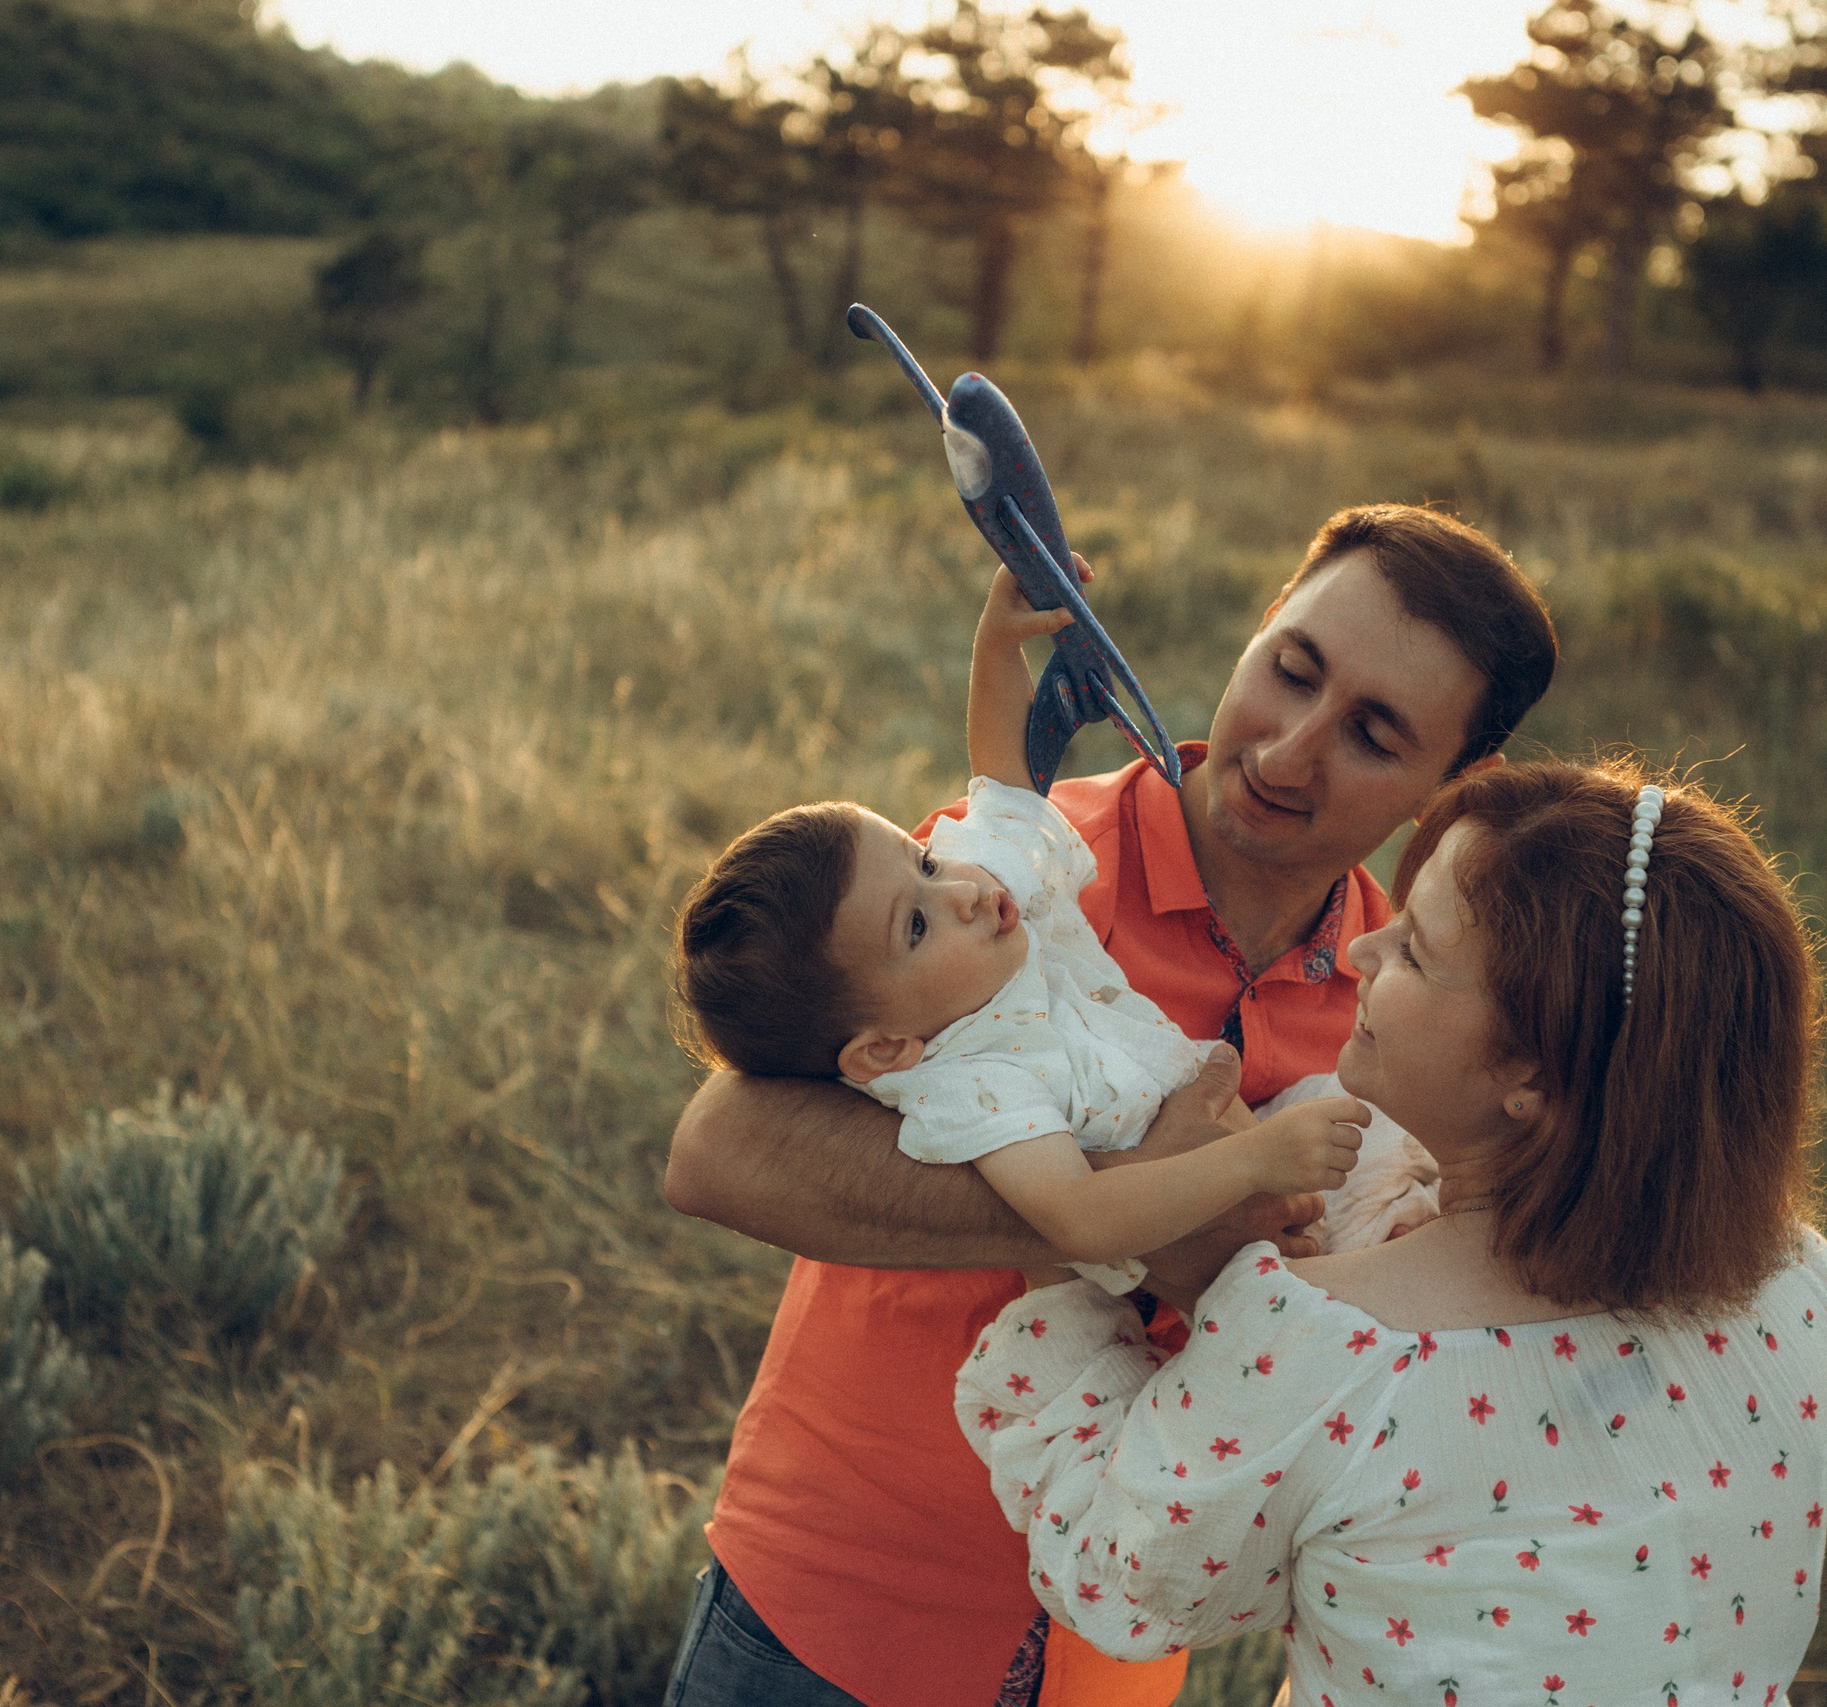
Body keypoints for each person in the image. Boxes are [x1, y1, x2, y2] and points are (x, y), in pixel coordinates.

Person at [661, 505, 1559, 1707]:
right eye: (1290, 669)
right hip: (838, 1623)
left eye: (1374, 735)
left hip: (1118, 1649)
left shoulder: (1405, 1001)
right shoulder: (1010, 883)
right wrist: (1129, 1213)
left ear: (1452, 790)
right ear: (1254, 636)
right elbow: (717, 1153)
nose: (1288, 753)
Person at [955, 762, 1827, 1706]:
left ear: (1530, 1077)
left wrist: (1060, 1252)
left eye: (1416, 951)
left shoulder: (1329, 1345)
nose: (1363, 950)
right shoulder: (1790, 1285)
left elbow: (1120, 1572)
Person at [674, 569, 1368, 1288]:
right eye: (915, 925)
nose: (963, 892)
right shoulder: (981, 1082)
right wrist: (1253, 1162)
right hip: (1211, 1275)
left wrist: (998, 644)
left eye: (926, 862)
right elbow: (1082, 1217)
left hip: (1275, 1208)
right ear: (886, 1048)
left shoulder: (990, 905)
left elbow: (1001, 780)